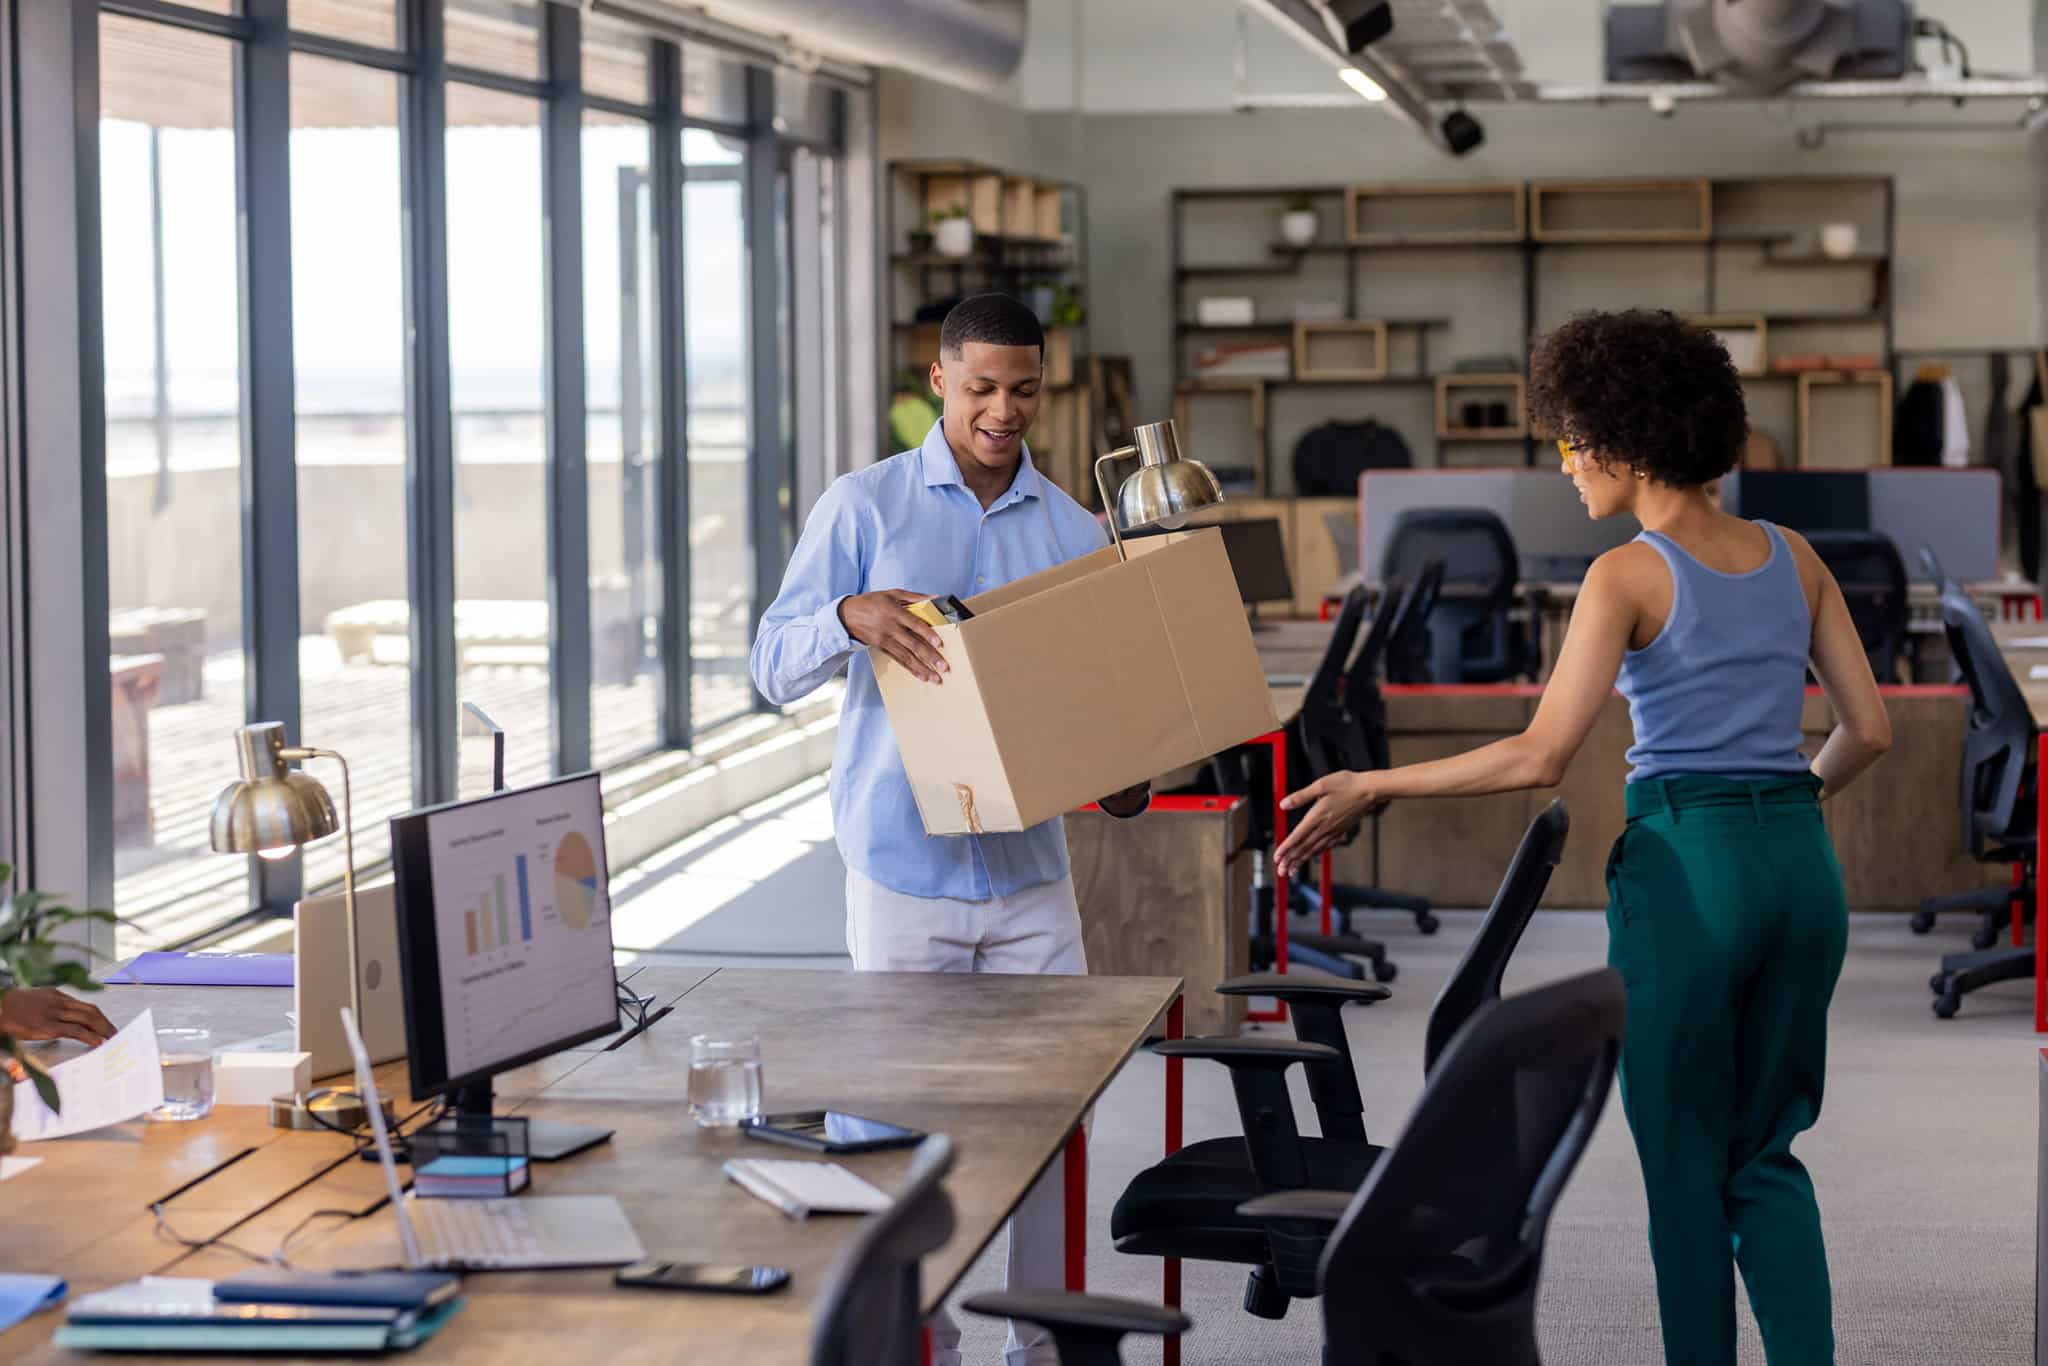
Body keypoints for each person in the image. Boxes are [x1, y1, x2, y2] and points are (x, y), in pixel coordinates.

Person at [1275, 308, 1890, 1366]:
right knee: (1766, 1154)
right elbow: (1867, 731)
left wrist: (1373, 779)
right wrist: (1785, 810)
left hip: (1688, 874)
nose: (1562, 464)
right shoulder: (1795, 559)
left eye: (1566, 440)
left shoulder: (1624, 575)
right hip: (1799, 864)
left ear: (1619, 438)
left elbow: (1537, 754)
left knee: (1684, 1162)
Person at [750, 293, 1148, 1366]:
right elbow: (767, 662)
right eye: (980, 388)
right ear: (938, 381)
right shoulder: (862, 506)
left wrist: (1128, 770)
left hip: (1030, 879)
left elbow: (1108, 732)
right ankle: (912, 1338)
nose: (1002, 411)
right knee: (895, 1131)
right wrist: (847, 617)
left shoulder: (1073, 531)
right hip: (899, 872)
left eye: (1022, 389)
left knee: (1054, 1128)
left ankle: (1039, 1345)